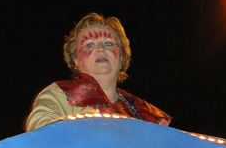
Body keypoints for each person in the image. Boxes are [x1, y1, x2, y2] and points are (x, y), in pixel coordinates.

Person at [25, 13, 170, 131]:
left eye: (109, 43)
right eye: (89, 45)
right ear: (75, 60)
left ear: (122, 57)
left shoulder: (147, 114)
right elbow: (41, 134)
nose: (101, 49)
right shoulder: (60, 94)